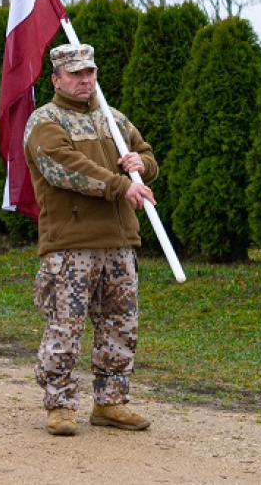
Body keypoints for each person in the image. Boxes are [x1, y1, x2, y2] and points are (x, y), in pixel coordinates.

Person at [25, 43, 159, 437]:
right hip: (71, 245)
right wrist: (121, 185)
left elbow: (146, 155)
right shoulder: (45, 121)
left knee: (121, 326)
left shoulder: (113, 119)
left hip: (119, 241)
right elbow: (65, 168)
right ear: (56, 79)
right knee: (65, 328)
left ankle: (110, 402)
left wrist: (142, 164)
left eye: (90, 72)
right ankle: (60, 405)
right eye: (75, 74)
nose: (85, 80)